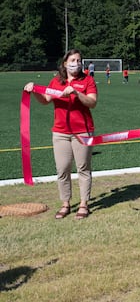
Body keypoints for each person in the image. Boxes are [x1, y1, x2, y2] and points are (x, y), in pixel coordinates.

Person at [24, 49, 98, 220]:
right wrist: (34, 90)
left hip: (83, 131)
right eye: (72, 60)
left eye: (79, 60)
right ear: (65, 63)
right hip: (60, 132)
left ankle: (83, 204)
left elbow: (92, 102)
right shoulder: (56, 81)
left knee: (83, 169)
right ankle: (65, 203)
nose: (76, 63)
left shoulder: (87, 80)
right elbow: (45, 100)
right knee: (62, 169)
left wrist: (76, 93)